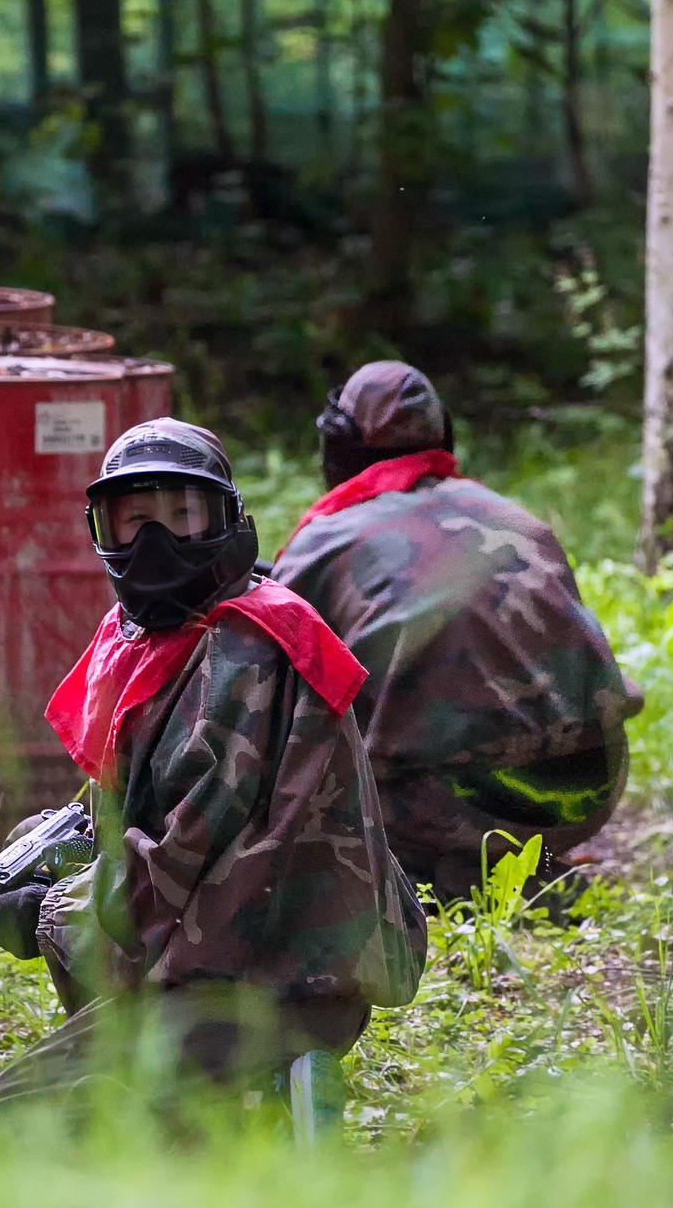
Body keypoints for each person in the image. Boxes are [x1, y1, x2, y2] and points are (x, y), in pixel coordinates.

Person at [0, 417, 428, 1111]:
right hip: (246, 972)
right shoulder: (172, 644)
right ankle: (240, 1102)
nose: (156, 544)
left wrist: (45, 909)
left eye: (182, 516)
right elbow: (128, 817)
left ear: (226, 521)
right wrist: (41, 856)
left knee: (3, 1129)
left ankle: (252, 1089)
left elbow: (164, 883)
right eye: (134, 521)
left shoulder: (242, 655)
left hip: (262, 988)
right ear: (103, 530)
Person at [269, 361, 644, 902]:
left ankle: (453, 876)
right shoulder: (517, 519)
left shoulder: (322, 543)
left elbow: (276, 686)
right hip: (589, 787)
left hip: (440, 808)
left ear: (339, 444)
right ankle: (513, 865)